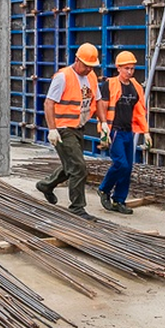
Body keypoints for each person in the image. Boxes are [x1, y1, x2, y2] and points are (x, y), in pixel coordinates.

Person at [35, 42, 109, 220]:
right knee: (79, 168)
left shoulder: (91, 77)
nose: (88, 70)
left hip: (77, 127)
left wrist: (104, 122)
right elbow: (49, 103)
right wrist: (52, 129)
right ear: (76, 60)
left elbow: (97, 100)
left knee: (72, 165)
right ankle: (77, 207)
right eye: (85, 65)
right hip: (62, 128)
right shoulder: (63, 77)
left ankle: (46, 185)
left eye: (91, 67)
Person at [97, 51, 151, 215]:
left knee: (127, 169)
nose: (130, 71)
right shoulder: (110, 84)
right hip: (114, 131)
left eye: (132, 68)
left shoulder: (136, 87)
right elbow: (103, 108)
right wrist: (103, 129)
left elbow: (140, 111)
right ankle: (104, 189)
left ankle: (119, 200)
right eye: (126, 68)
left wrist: (146, 132)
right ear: (118, 68)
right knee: (121, 163)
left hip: (128, 131)